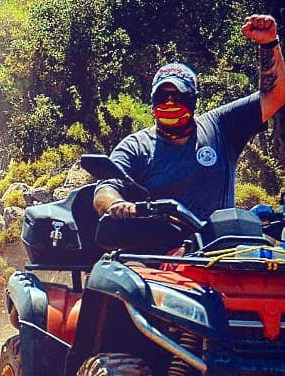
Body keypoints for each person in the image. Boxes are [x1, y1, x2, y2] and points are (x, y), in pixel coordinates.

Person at [94, 14, 285, 222]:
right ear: (152, 101)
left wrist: (268, 43)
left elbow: (273, 97)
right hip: (158, 251)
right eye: (162, 96)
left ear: (192, 100)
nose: (169, 103)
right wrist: (116, 205)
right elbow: (105, 189)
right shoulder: (136, 147)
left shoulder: (220, 127)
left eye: (178, 96)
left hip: (218, 248)